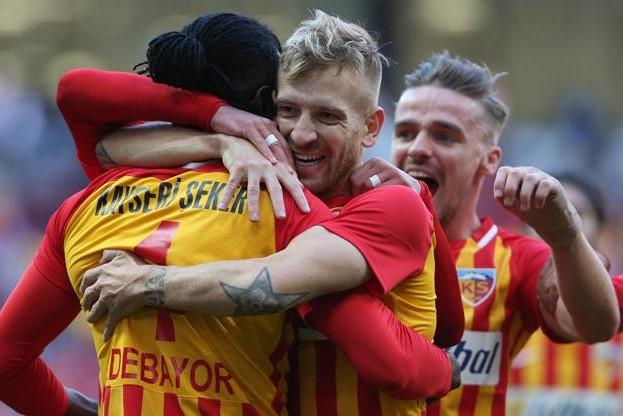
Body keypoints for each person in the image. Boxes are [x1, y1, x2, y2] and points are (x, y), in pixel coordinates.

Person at [0, 11, 460, 416]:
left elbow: (78, 98)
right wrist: (446, 370)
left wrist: (213, 124)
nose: (300, 134)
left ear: (371, 126)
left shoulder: (87, 202)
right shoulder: (285, 207)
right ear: (265, 105)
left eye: (327, 116)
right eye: (287, 110)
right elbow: (405, 359)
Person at [359, 51, 619, 415]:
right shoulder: (349, 237)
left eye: (444, 136)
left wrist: (565, 236)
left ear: (490, 159)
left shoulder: (515, 259)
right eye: (405, 133)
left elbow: (595, 326)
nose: (417, 148)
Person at [508, 173, 623, 416]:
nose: (555, 220)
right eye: (542, 212)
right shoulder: (498, 311)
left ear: (602, 232)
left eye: (574, 212)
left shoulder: (616, 314)